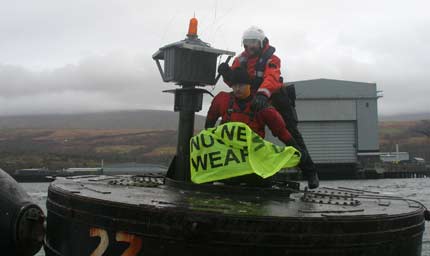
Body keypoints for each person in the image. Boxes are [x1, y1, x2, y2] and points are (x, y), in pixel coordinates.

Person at [217, 26, 319, 189]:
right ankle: (240, 171)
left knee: (291, 135)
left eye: (254, 43)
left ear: (261, 43)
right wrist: (226, 74)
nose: (250, 46)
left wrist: (263, 94)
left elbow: (271, 78)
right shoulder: (239, 61)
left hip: (275, 98)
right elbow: (236, 83)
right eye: (247, 42)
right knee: (240, 134)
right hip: (253, 100)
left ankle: (310, 172)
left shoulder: (272, 59)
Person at [206, 68, 317, 188]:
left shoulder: (263, 107)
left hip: (253, 160)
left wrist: (296, 149)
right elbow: (209, 124)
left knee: (259, 181)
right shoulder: (221, 100)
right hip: (228, 159)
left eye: (242, 85)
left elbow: (282, 132)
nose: (237, 89)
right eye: (234, 85)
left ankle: (310, 173)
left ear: (249, 85)